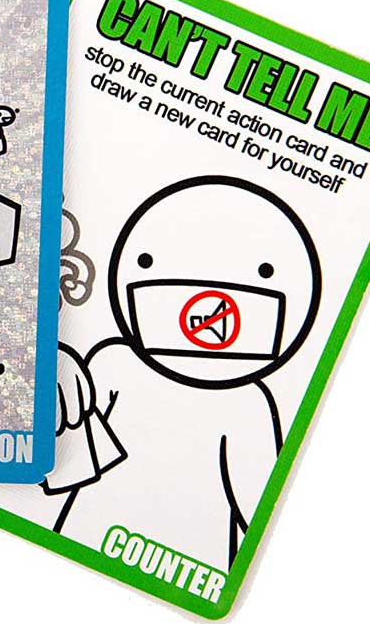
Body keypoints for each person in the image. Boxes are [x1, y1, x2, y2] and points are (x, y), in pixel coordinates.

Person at [50, 176, 322, 568]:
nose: (202, 305)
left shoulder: (247, 403)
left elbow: (258, 512)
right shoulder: (113, 362)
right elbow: (70, 454)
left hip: (193, 564)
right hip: (79, 538)